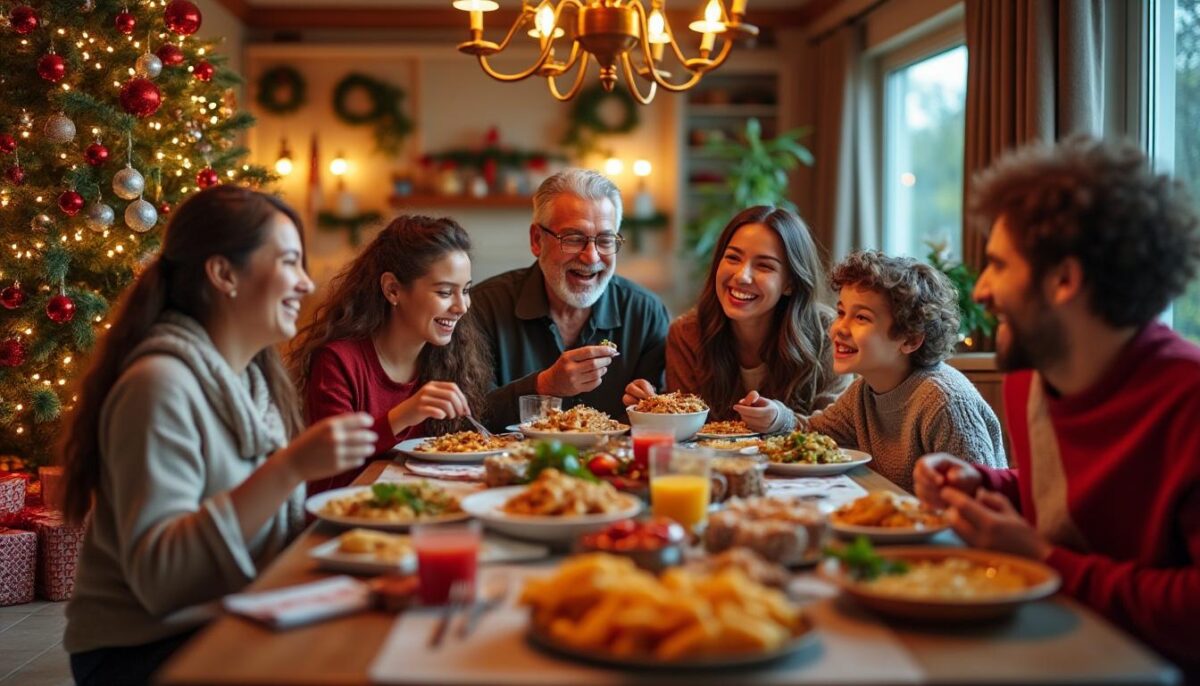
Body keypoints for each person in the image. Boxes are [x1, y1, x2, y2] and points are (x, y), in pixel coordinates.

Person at [58, 187, 378, 685]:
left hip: (234, 613)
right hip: (142, 649)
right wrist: (289, 468)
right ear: (224, 273)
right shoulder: (158, 386)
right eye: (290, 262)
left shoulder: (255, 381)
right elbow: (162, 580)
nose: (305, 283)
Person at [913, 136, 1200, 676]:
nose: (981, 292)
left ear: (1064, 280)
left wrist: (1043, 561)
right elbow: (1066, 498)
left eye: (998, 265)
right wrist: (984, 484)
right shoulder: (1032, 378)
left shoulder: (1188, 400)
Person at [291, 215, 491, 494]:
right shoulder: (338, 361)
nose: (461, 307)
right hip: (344, 520)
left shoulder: (449, 360)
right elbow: (329, 467)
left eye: (465, 291)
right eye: (445, 292)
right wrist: (402, 416)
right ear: (392, 289)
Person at [470, 168, 669, 427]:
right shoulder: (484, 308)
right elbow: (466, 418)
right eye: (574, 238)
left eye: (605, 240)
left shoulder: (646, 313)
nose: (592, 257)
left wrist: (651, 406)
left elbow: (666, 422)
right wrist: (543, 386)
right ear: (536, 240)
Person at [800, 250, 1006, 491]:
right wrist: (774, 417)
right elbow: (811, 435)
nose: (838, 329)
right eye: (842, 312)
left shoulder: (944, 402)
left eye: (861, 318)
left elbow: (982, 500)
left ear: (910, 341)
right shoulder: (863, 392)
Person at [622, 205, 847, 426]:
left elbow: (838, 430)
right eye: (733, 258)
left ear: (790, 283)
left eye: (764, 266)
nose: (742, 276)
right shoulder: (687, 334)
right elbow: (686, 434)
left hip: (797, 464)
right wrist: (654, 409)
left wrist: (782, 420)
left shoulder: (830, 332)